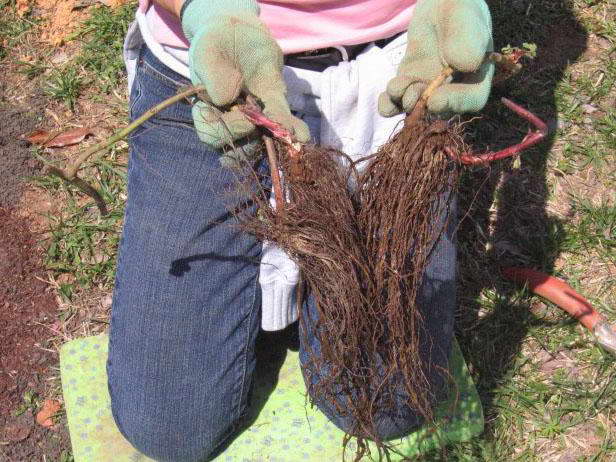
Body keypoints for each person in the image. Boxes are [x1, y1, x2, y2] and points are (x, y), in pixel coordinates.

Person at [106, 1, 494, 461]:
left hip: (402, 71)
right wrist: (205, 10)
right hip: (215, 72)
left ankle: (317, 274)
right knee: (169, 428)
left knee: (389, 406)